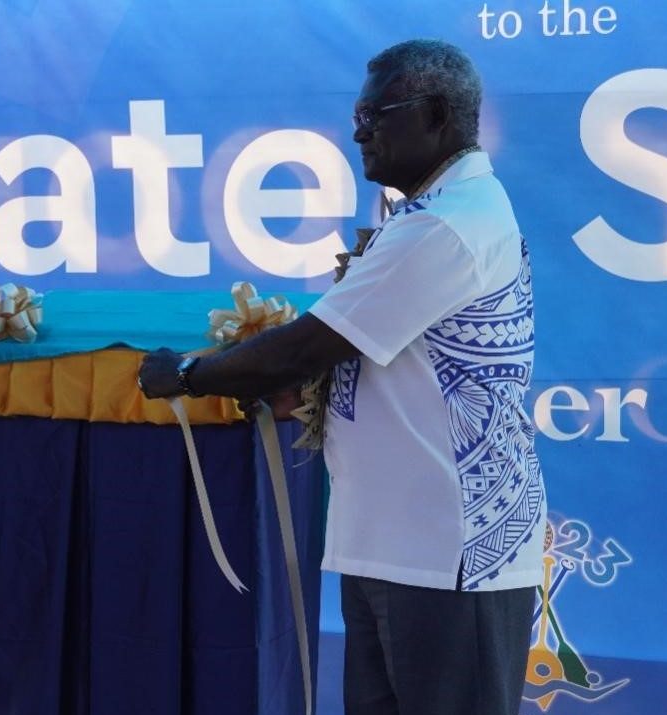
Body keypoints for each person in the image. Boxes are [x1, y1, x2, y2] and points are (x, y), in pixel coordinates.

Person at [139, 39, 545, 715]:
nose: (358, 130)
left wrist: (188, 373)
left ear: (438, 115)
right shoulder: (426, 216)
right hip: (395, 545)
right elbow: (359, 358)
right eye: (357, 114)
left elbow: (307, 346)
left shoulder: (449, 225)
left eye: (375, 113)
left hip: (448, 554)